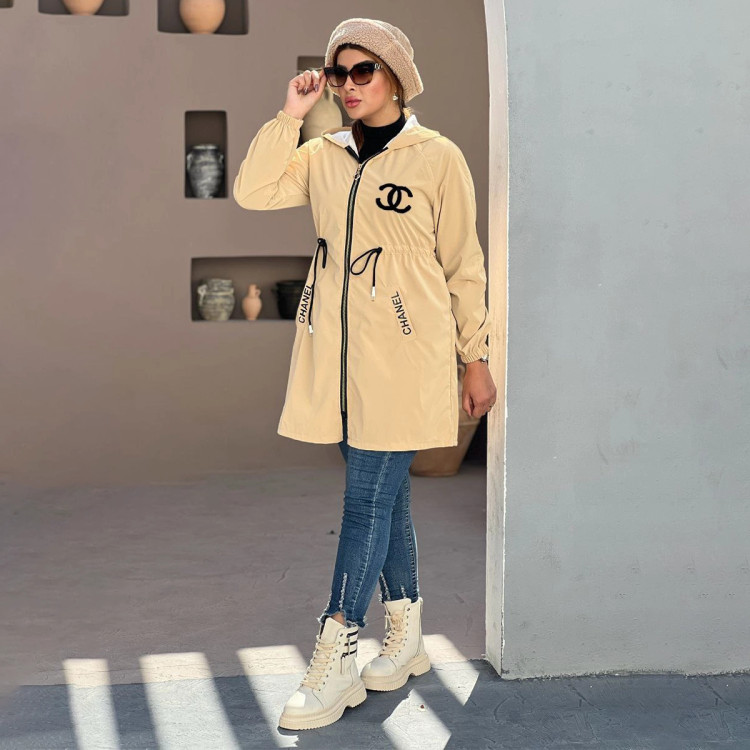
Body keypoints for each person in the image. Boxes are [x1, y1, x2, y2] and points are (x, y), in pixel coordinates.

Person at [233, 17, 497, 731]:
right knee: (387, 498)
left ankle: (338, 649)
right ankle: (405, 636)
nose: (348, 85)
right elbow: (253, 190)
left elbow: (463, 263)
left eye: (363, 71)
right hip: (340, 358)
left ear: (396, 79)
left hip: (408, 356)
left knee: (364, 502)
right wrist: (289, 115)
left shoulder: (437, 158)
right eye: (338, 73)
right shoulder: (322, 155)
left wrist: (475, 355)